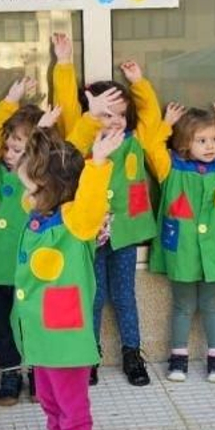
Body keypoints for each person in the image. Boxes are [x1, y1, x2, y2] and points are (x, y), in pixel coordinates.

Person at [14, 126, 121, 430]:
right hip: (40, 326)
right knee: (46, 390)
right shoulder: (39, 212)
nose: (25, 192)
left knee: (70, 395)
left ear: (50, 187)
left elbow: (90, 198)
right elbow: (61, 161)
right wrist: (44, 130)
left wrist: (99, 162)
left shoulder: (76, 221)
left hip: (64, 328)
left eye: (30, 184)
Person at [52, 34, 157, 387]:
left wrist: (139, 84)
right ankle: (90, 354)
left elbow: (153, 118)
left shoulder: (135, 141)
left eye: (121, 115)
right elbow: (67, 106)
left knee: (125, 296)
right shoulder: (81, 140)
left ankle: (133, 354)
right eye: (106, 114)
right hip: (89, 232)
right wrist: (64, 63)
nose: (114, 122)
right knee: (93, 297)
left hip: (125, 232)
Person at [142, 101, 215, 382]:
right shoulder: (170, 167)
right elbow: (151, 147)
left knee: (211, 305)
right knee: (182, 306)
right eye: (201, 140)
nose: (210, 146)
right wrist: (166, 124)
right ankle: (178, 357)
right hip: (183, 251)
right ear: (184, 143)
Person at [0, 78, 59, 405]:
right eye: (10, 147)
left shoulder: (42, 179)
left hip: (31, 264)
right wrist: (10, 100)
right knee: (2, 323)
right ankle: (10, 372)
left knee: (32, 320)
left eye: (20, 150)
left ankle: (37, 372)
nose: (11, 154)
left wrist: (40, 133)